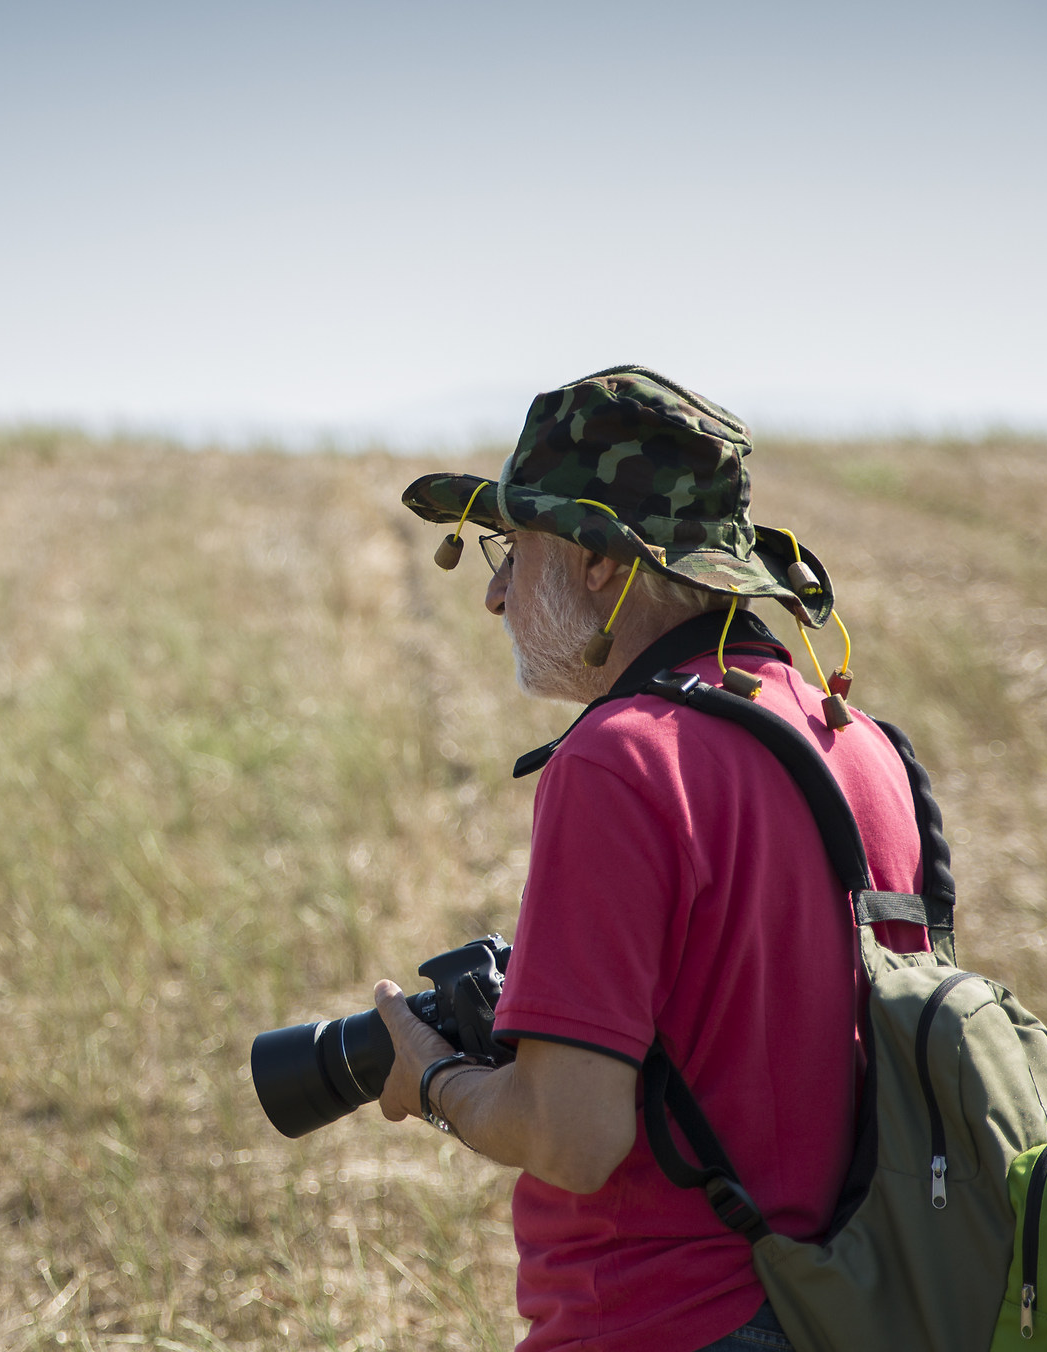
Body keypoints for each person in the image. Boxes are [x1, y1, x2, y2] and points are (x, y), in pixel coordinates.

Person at [373, 366, 927, 1352]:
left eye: (516, 550)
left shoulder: (620, 759)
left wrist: (433, 1079)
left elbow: (574, 1137)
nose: (494, 594)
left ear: (599, 561)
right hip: (853, 1308)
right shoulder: (861, 743)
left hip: (664, 1320)